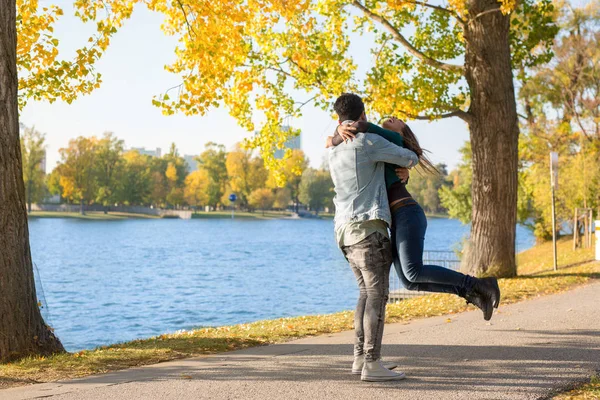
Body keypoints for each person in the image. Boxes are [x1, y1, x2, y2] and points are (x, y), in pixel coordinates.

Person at [331, 111, 501, 321]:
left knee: (413, 272)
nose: (392, 117)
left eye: (399, 120)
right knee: (410, 281)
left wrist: (337, 133)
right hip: (398, 219)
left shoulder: (392, 138)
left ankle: (479, 284)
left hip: (406, 213)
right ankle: (472, 294)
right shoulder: (381, 147)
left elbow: (363, 127)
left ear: (403, 131)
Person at [328, 93, 419, 382]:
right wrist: (398, 137)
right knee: (377, 296)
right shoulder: (367, 142)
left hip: (343, 232)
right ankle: (371, 363)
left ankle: (359, 358)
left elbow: (332, 139)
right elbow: (410, 157)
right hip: (368, 229)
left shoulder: (334, 149)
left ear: (339, 119)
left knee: (365, 294)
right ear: (363, 115)